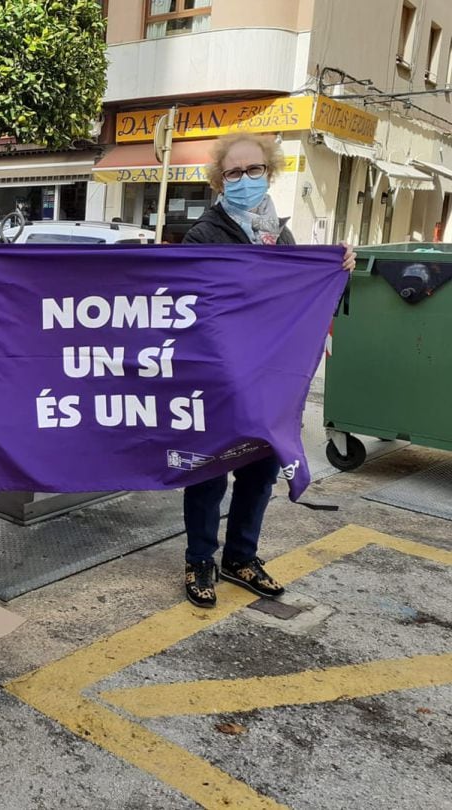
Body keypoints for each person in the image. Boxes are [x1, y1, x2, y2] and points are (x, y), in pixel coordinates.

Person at [181, 132, 356, 608]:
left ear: (270, 173)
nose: (243, 180)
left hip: (270, 381)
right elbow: (192, 309)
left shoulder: (282, 235)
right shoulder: (203, 235)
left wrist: (334, 268)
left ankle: (241, 557)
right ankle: (200, 559)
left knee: (260, 471)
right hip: (219, 379)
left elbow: (302, 301)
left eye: (253, 170)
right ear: (220, 180)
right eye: (233, 173)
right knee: (210, 474)